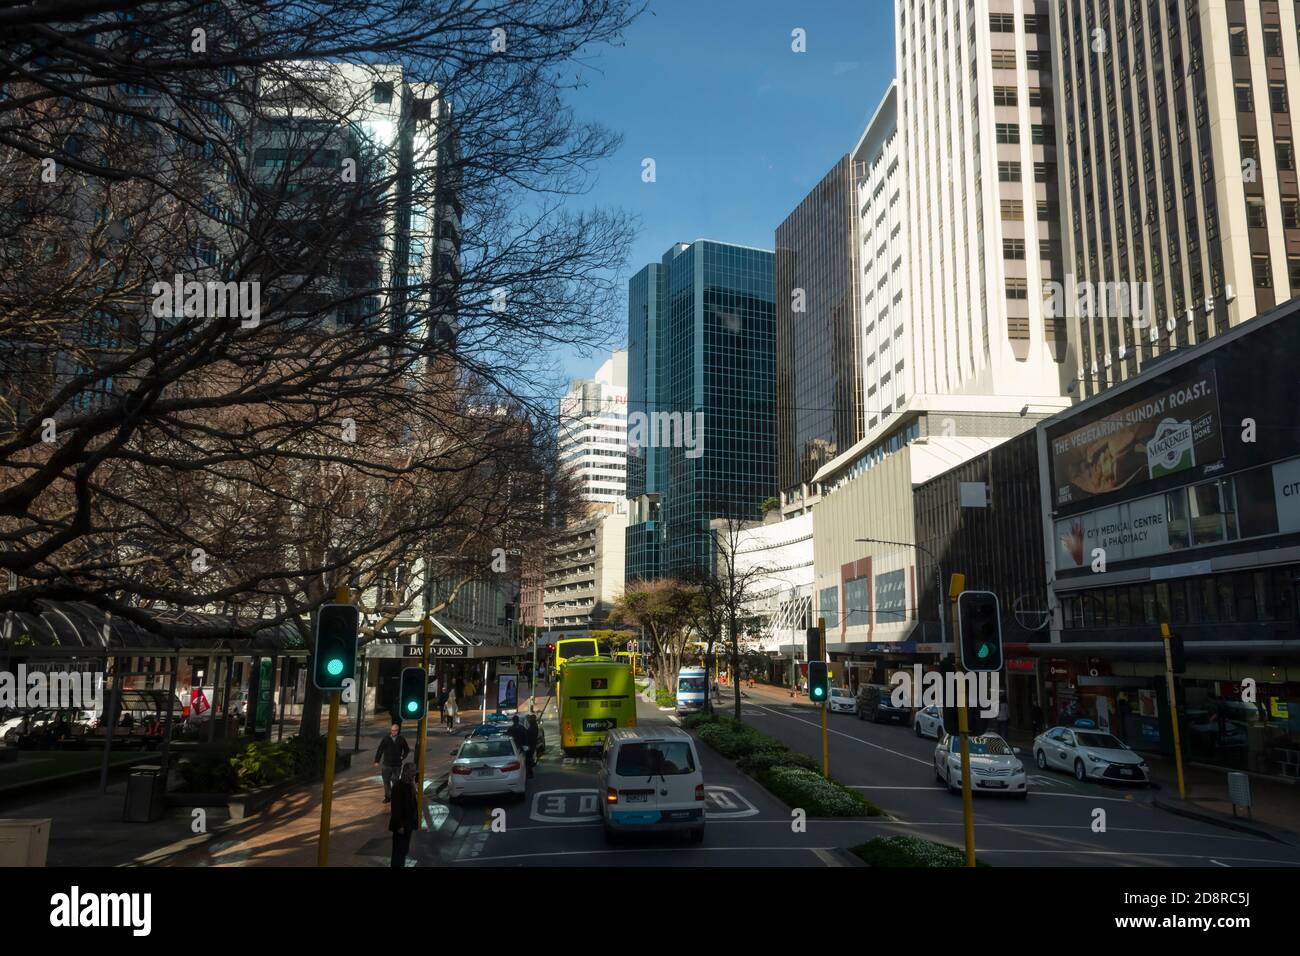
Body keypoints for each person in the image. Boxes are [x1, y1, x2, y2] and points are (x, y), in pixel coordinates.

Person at [389, 762, 419, 868]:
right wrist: (400, 825)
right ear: (405, 772)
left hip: (408, 823)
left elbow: (413, 804)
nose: (413, 774)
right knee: (399, 851)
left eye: (414, 771)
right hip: (401, 825)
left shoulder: (410, 785)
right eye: (411, 771)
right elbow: (396, 809)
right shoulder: (398, 787)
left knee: (404, 849)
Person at [374, 723, 410, 803]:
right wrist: (377, 760)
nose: (393, 732)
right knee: (386, 781)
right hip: (386, 764)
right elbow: (380, 750)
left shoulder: (401, 739)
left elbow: (407, 750)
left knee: (395, 780)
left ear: (397, 731)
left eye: (395, 731)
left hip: (397, 765)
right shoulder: (386, 739)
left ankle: (395, 796)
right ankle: (388, 797)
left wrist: (402, 757)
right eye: (392, 730)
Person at [524, 713, 540, 778]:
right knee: (529, 759)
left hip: (531, 745)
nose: (528, 720)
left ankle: (530, 773)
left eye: (530, 718)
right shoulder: (533, 726)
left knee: (528, 759)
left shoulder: (533, 727)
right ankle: (529, 772)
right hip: (531, 745)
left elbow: (531, 736)